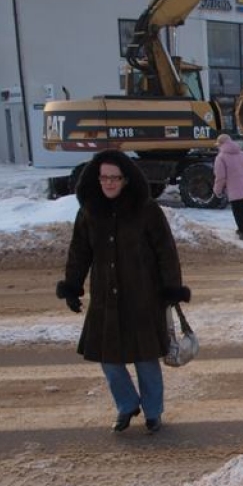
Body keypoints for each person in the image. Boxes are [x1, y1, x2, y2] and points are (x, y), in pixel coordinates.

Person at [55, 149, 190, 434]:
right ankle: (127, 404)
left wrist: (171, 289)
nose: (109, 183)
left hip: (143, 295)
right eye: (104, 177)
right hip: (106, 297)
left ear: (126, 180)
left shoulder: (146, 209)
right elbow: (79, 252)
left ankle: (153, 412)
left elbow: (166, 251)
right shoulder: (90, 211)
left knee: (145, 358)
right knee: (108, 358)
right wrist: (72, 286)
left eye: (115, 178)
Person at [213, 132, 243, 241]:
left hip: (233, 188)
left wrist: (217, 190)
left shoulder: (221, 157)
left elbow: (220, 177)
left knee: (238, 211)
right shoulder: (242, 153)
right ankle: (241, 229)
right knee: (241, 209)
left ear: (221, 144)